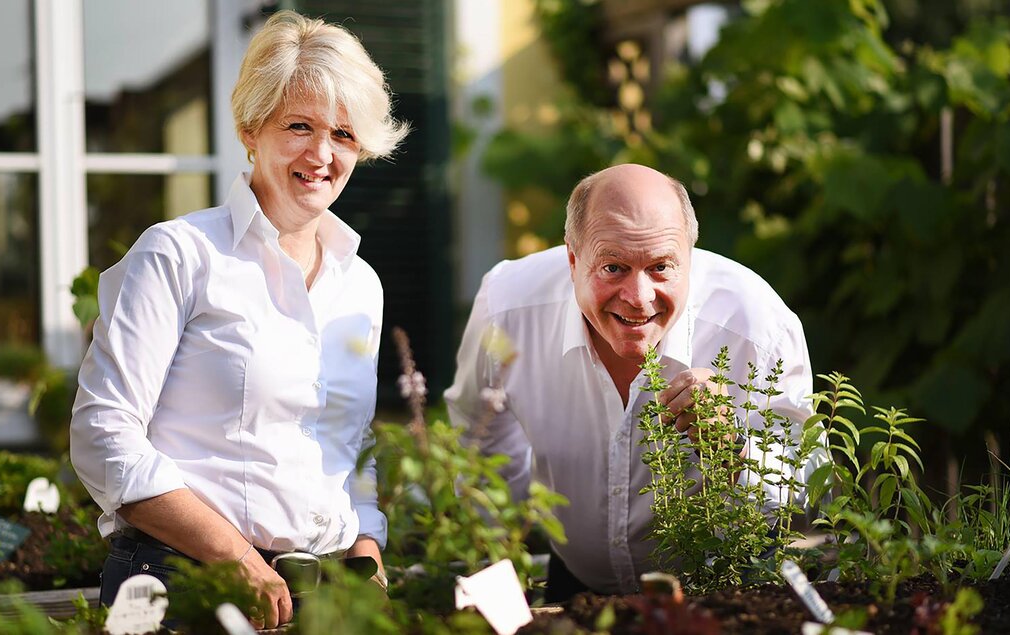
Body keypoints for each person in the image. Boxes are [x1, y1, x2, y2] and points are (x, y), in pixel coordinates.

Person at [70, 11, 408, 629]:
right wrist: (236, 557)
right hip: (185, 584)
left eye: (343, 134)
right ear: (252, 129)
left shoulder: (360, 283)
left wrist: (367, 547)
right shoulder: (178, 254)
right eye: (299, 126)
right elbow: (103, 436)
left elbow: (350, 444)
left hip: (325, 593)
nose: (322, 154)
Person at [444, 163, 822, 600]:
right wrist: (498, 569)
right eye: (614, 268)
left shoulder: (758, 327)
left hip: (723, 594)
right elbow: (479, 442)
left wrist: (735, 448)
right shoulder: (508, 305)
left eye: (661, 267)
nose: (638, 298)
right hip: (575, 589)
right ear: (572, 259)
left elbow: (811, 491)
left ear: (689, 258)